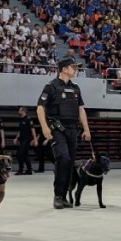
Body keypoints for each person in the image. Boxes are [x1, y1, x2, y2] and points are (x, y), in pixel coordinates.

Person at [36, 56, 92, 209]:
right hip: (57, 129)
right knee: (63, 158)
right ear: (64, 69)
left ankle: (66, 195)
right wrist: (45, 127)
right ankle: (58, 195)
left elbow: (81, 109)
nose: (76, 69)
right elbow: (40, 108)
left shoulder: (75, 88)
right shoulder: (51, 86)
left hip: (73, 129)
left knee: (70, 163)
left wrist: (86, 129)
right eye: (73, 67)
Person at [13, 106, 38, 175]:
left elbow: (33, 130)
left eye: (19, 110)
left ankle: (21, 169)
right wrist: (16, 138)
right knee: (25, 154)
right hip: (22, 139)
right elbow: (20, 131)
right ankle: (29, 170)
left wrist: (35, 140)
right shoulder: (21, 119)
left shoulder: (28, 119)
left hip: (27, 140)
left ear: (23, 111)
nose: (18, 111)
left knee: (19, 154)